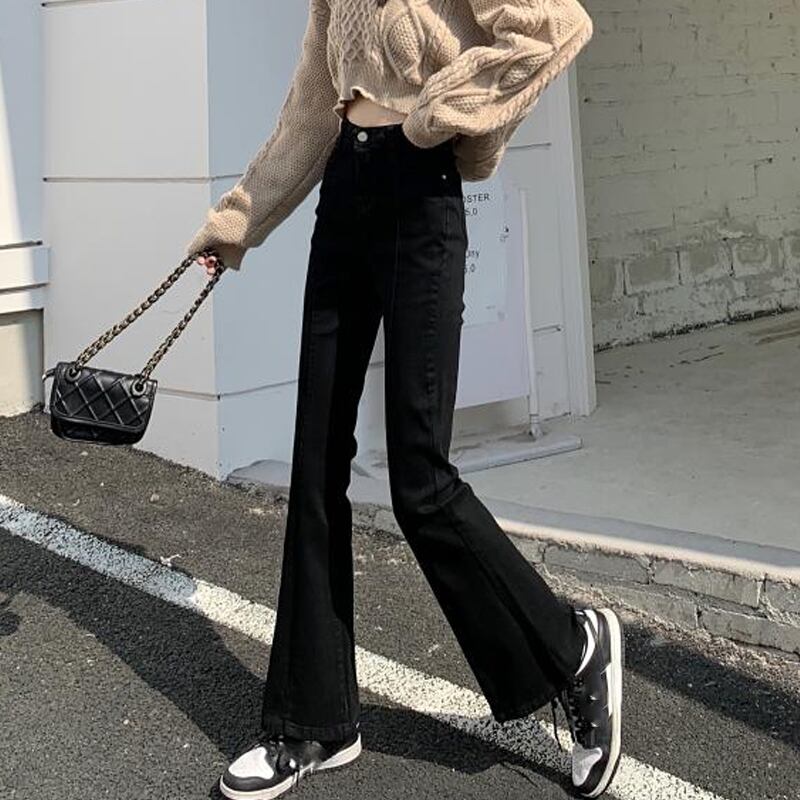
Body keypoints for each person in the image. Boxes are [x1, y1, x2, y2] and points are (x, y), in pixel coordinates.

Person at [186, 1, 623, 798]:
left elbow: (554, 28)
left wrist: (437, 115)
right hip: (345, 193)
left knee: (420, 480)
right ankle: (311, 723)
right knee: (315, 461)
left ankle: (573, 650)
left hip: (422, 195)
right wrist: (238, 220)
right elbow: (311, 109)